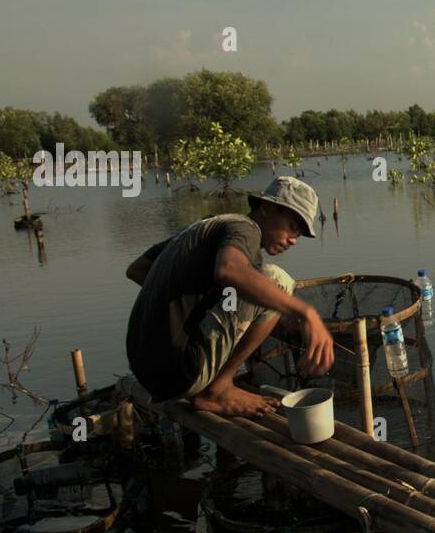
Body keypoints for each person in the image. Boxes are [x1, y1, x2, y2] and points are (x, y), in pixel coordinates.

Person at [124, 176, 334, 418]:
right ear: (265, 209)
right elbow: (229, 270)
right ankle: (217, 389)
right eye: (293, 227)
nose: (294, 240)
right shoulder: (246, 229)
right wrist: (306, 313)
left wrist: (195, 301)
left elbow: (137, 270)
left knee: (251, 283)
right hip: (180, 372)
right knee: (276, 280)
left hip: (147, 370)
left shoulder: (204, 227)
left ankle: (207, 379)